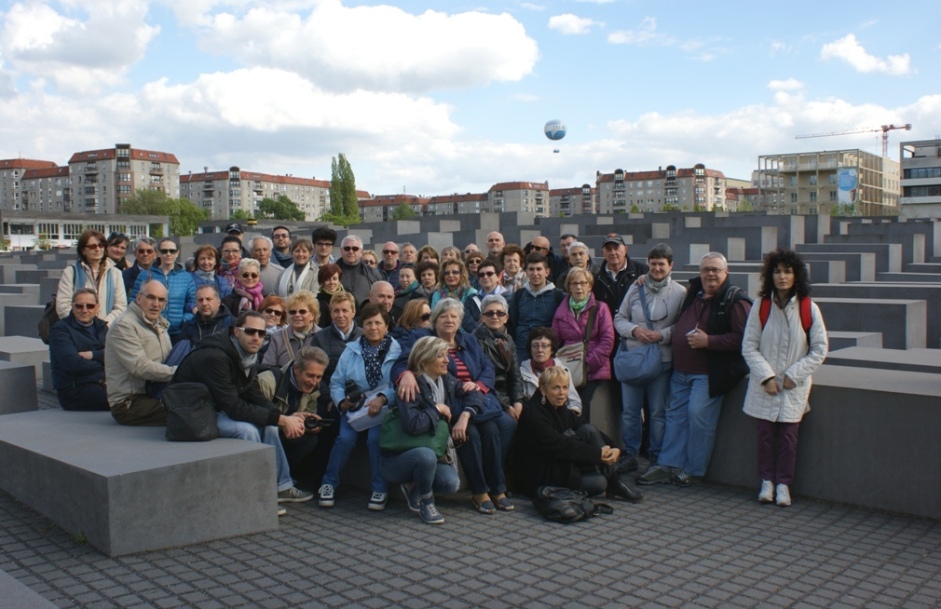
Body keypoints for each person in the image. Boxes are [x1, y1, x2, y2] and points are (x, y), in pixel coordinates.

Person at [171, 311, 313, 511]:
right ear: (236, 332)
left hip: (217, 408)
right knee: (248, 431)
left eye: (261, 333)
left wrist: (281, 417)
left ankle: (282, 487)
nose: (256, 337)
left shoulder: (247, 355)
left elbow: (254, 395)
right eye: (250, 331)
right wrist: (281, 419)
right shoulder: (215, 357)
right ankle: (258, 493)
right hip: (195, 415)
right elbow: (233, 406)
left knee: (271, 427)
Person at [638, 252, 752, 487]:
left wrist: (709, 341)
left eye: (715, 270)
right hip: (681, 371)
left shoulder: (736, 299)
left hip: (708, 374)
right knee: (675, 419)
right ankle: (668, 465)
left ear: (725, 272)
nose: (710, 274)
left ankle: (693, 469)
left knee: (699, 418)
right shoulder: (694, 294)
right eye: (706, 269)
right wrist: (641, 279)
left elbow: (743, 338)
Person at [394, 298, 515, 514]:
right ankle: (479, 491)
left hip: (472, 397)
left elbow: (487, 368)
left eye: (454, 316)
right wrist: (405, 375)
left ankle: (497, 487)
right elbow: (403, 362)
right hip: (449, 400)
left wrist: (478, 385)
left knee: (497, 428)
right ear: (434, 319)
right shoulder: (422, 337)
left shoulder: (467, 339)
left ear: (460, 320)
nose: (449, 320)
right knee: (472, 434)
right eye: (443, 316)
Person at [742, 249, 828, 507]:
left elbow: (820, 349)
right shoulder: (761, 306)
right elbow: (749, 346)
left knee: (789, 440)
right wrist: (766, 376)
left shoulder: (808, 308)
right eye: (777, 271)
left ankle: (783, 485)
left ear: (796, 275)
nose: (782, 276)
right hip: (764, 386)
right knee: (765, 438)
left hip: (793, 387)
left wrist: (794, 375)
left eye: (787, 271)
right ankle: (766, 482)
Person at [514, 366, 643, 501]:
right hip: (539, 473)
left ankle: (614, 482)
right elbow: (560, 445)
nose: (562, 393)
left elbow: (582, 425)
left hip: (559, 462)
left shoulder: (559, 407)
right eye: (556, 388)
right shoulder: (532, 413)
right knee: (599, 483)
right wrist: (598, 454)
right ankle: (612, 482)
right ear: (543, 389)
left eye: (565, 387)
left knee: (589, 429)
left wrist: (613, 447)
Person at [380, 337, 472, 524]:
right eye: (440, 356)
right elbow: (412, 425)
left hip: (431, 448)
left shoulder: (446, 380)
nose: (447, 360)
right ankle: (426, 500)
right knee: (426, 456)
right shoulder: (410, 386)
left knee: (451, 484)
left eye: (447, 355)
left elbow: (473, 393)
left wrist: (466, 414)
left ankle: (414, 487)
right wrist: (437, 410)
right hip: (399, 457)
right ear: (424, 359)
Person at [319, 303, 401, 511]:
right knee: (344, 439)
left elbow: (398, 382)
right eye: (368, 323)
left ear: (386, 326)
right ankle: (328, 483)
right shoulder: (351, 350)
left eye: (378, 323)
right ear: (362, 326)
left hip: (383, 409)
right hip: (356, 407)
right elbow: (336, 382)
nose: (373, 327)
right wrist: (341, 401)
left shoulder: (397, 350)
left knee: (375, 440)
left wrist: (383, 398)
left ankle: (379, 488)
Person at [615, 244, 687, 467]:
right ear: (648, 263)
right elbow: (619, 318)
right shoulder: (636, 288)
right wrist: (635, 331)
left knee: (657, 412)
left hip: (661, 361)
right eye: (653, 263)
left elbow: (682, 326)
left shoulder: (680, 293)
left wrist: (661, 335)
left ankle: (656, 452)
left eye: (661, 264)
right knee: (630, 412)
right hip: (634, 359)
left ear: (670, 266)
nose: (656, 268)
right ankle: (631, 452)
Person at [257, 346, 336, 491]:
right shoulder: (267, 381)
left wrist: (308, 423)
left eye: (319, 377)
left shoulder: (314, 388)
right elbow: (254, 416)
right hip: (263, 434)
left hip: (283, 432)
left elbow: (307, 412)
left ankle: (288, 477)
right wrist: (285, 422)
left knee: (309, 440)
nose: (314, 382)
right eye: (310, 375)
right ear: (296, 369)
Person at [104, 280, 175, 426]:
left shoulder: (159, 324)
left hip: (155, 392)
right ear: (138, 298)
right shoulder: (124, 325)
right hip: (129, 403)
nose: (156, 304)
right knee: (189, 409)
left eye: (161, 299)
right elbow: (139, 366)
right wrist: (179, 371)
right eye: (151, 297)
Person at [551, 268, 614, 420]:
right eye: (575, 283)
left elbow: (608, 339)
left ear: (589, 286)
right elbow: (554, 340)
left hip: (593, 368)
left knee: (582, 406)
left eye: (583, 283)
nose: (579, 287)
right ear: (569, 286)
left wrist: (588, 364)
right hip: (568, 367)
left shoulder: (600, 308)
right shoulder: (561, 310)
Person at [49, 288, 109, 411]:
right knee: (123, 399)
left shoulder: (102, 327)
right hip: (74, 391)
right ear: (72, 307)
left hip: (103, 384)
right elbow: (73, 365)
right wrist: (107, 363)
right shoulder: (60, 330)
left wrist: (92, 355)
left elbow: (115, 355)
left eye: (90, 306)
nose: (84, 310)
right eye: (79, 306)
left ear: (97, 307)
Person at [55, 229, 127, 325]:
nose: (98, 249)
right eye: (92, 246)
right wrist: (82, 324)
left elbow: (121, 306)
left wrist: (104, 326)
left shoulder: (116, 273)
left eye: (101, 245)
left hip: (106, 330)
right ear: (83, 250)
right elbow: (63, 305)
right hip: (78, 330)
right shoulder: (71, 272)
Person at [131, 237, 196, 343]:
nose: (168, 254)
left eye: (172, 251)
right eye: (164, 251)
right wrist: (145, 320)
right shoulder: (144, 275)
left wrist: (183, 319)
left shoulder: (186, 277)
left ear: (177, 253)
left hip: (177, 333)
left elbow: (193, 303)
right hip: (150, 331)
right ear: (158, 253)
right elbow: (133, 302)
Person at [472, 294, 524, 421]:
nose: (495, 317)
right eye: (489, 313)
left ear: (506, 318)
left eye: (500, 313)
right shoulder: (474, 339)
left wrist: (518, 402)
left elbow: (515, 375)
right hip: (487, 395)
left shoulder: (508, 340)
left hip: (507, 395)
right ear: (482, 317)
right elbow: (483, 379)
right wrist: (506, 406)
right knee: (508, 424)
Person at [507, 252, 564, 361]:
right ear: (526, 272)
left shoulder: (559, 295)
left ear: (547, 272)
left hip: (547, 350)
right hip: (522, 351)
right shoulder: (518, 295)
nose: (535, 273)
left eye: (539, 269)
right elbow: (513, 323)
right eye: (531, 269)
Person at [519, 327, 582, 413]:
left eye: (544, 346)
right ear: (530, 349)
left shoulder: (563, 370)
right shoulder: (521, 372)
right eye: (535, 346)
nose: (540, 350)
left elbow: (575, 403)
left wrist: (568, 418)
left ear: (552, 349)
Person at [593, 234, 648, 318]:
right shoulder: (597, 279)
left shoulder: (643, 271)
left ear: (625, 249)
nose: (613, 252)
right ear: (603, 252)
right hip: (609, 329)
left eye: (616, 248)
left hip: (635, 328)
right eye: (608, 249)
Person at [312, 292, 362, 383]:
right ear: (331, 313)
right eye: (336, 311)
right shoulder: (319, 338)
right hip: (328, 393)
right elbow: (314, 374)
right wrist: (326, 394)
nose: (340, 315)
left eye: (344, 310)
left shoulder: (365, 337)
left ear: (353, 312)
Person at [263, 290, 321, 367]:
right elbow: (266, 367)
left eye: (302, 311)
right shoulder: (277, 337)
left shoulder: (322, 336)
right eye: (292, 312)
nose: (297, 315)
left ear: (312, 315)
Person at [431, 259, 480, 333]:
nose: (450, 275)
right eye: (447, 273)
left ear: (461, 274)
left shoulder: (472, 293)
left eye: (455, 272)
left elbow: (475, 320)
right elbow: (434, 319)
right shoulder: (437, 295)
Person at [337, 235, 382, 303]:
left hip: (366, 312)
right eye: (347, 248)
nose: (351, 251)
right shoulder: (331, 272)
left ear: (361, 252)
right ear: (341, 250)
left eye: (355, 248)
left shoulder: (373, 273)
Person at [257, 294, 287, 359]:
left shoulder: (284, 338)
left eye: (277, 313)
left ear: (281, 319)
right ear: (260, 312)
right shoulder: (249, 330)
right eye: (269, 311)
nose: (272, 314)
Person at [315, 263, 344, 328]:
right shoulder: (318, 303)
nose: (331, 282)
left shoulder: (349, 298)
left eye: (334, 279)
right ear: (322, 282)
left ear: (339, 280)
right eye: (327, 279)